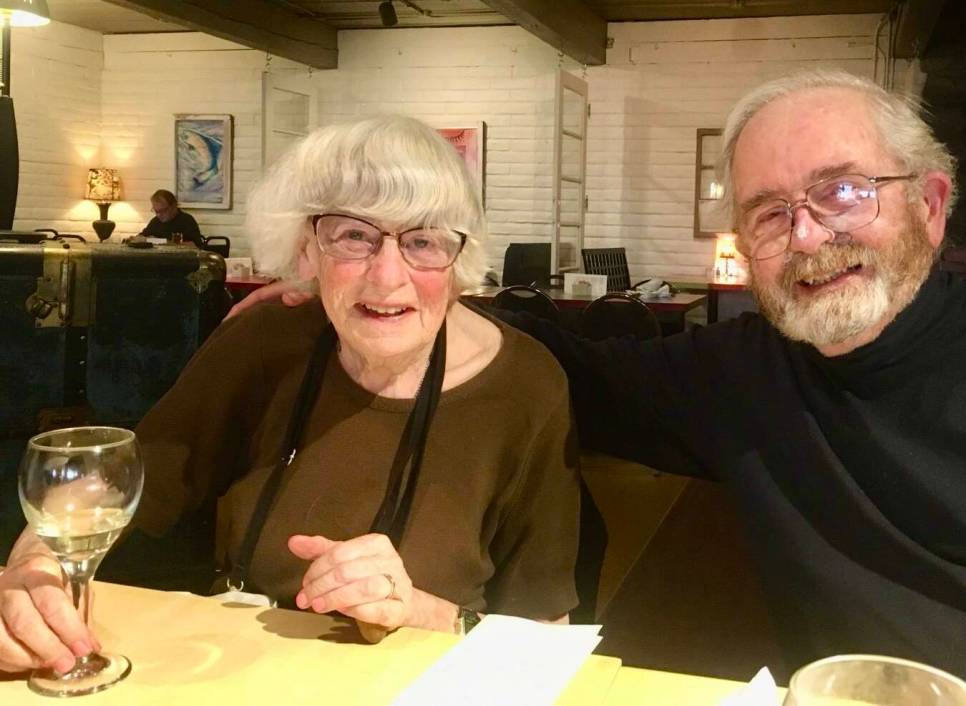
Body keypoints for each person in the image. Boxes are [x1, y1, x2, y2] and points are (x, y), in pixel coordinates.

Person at [226, 70, 966, 703]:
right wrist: (404, 295)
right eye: (769, 213)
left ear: (931, 205)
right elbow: (572, 369)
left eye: (844, 191)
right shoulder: (742, 373)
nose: (809, 234)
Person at [0, 116, 580, 676]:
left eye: (423, 240)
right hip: (240, 670)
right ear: (307, 250)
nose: (387, 277)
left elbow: (546, 634)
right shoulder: (266, 338)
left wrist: (423, 613)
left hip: (427, 681)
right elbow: (129, 474)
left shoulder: (525, 387)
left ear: (459, 261)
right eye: (353, 236)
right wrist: (34, 562)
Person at [139, 189, 203, 246]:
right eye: (156, 211)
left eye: (163, 211)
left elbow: (196, 245)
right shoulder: (155, 221)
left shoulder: (187, 220)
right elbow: (140, 237)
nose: (158, 215)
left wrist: (167, 243)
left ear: (174, 206)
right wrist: (142, 239)